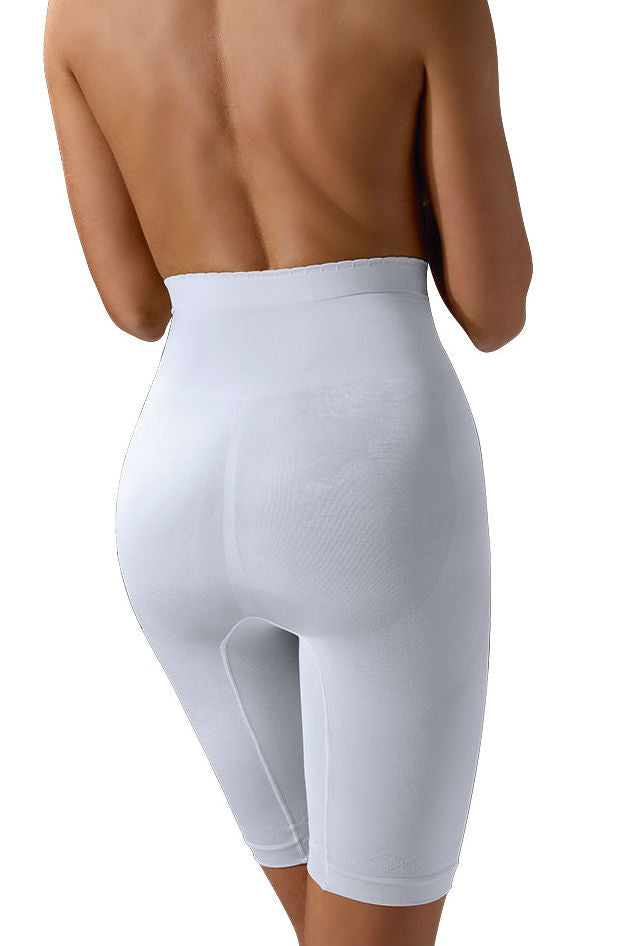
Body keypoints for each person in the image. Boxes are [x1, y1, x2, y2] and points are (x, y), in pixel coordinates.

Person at [43, 0, 532, 943]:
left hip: (177, 478)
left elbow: (136, 304)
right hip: (368, 477)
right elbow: (492, 307)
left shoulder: (76, 17)